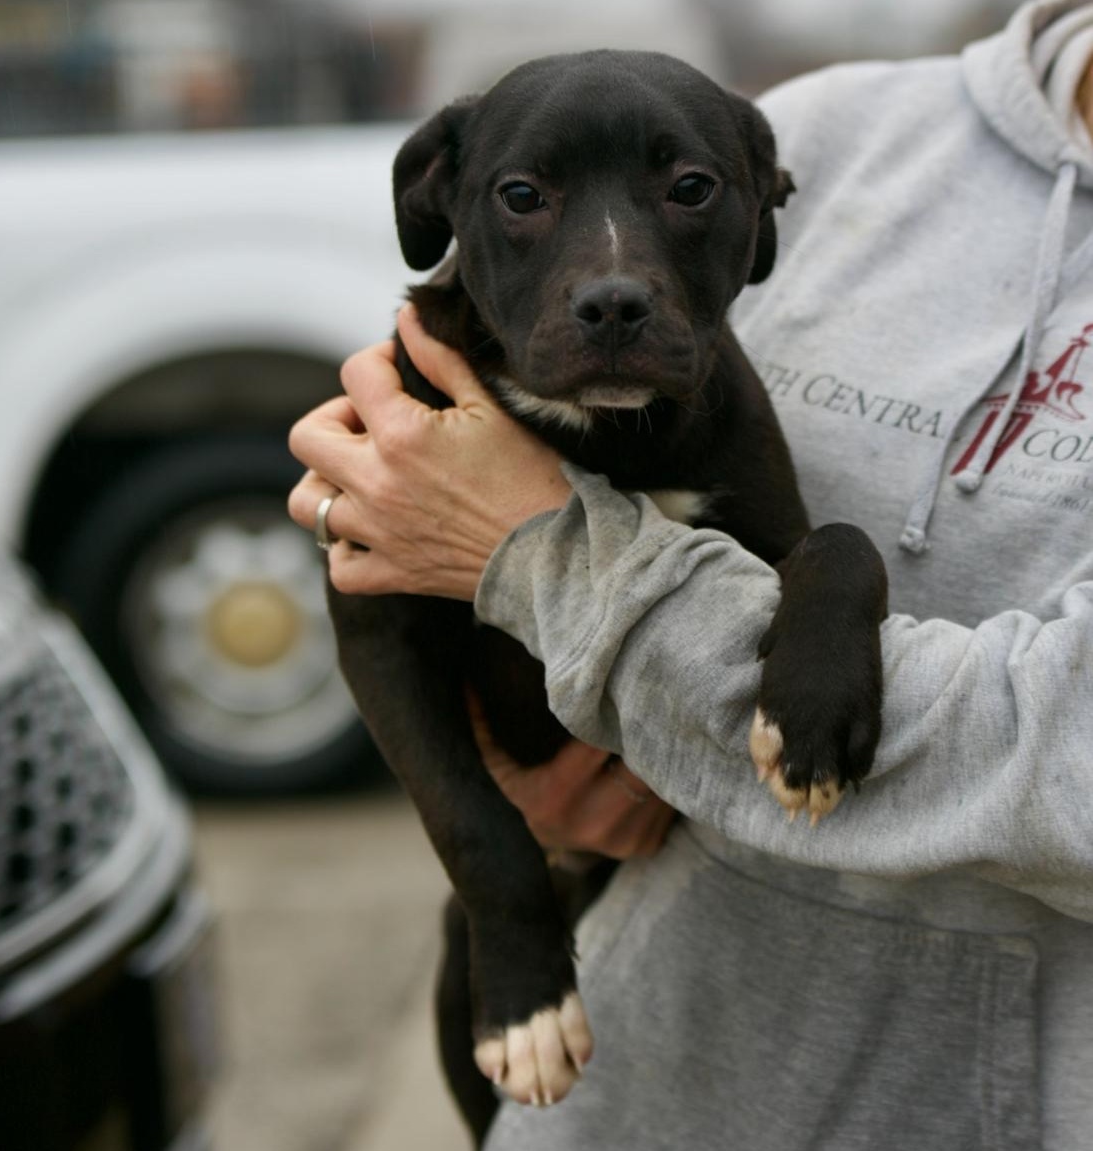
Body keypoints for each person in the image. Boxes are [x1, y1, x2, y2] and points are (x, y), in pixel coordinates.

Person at [288, 1, 1093, 1147]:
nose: (611, 280)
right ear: (442, 199)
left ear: (754, 215)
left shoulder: (719, 393)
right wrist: (502, 870)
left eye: (685, 194)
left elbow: (801, 568)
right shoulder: (844, 128)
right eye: (524, 196)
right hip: (599, 1028)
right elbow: (377, 623)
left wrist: (549, 556)